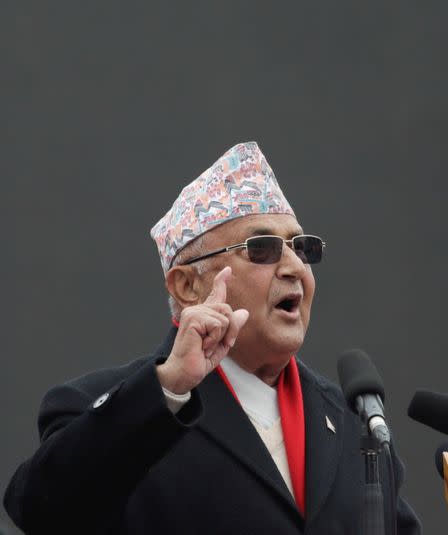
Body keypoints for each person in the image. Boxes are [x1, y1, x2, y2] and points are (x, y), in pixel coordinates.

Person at [4, 142, 421, 534]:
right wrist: (168, 389)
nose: (295, 266)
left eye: (302, 247)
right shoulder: (120, 406)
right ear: (187, 286)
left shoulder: (356, 425)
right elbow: (41, 511)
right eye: (263, 249)